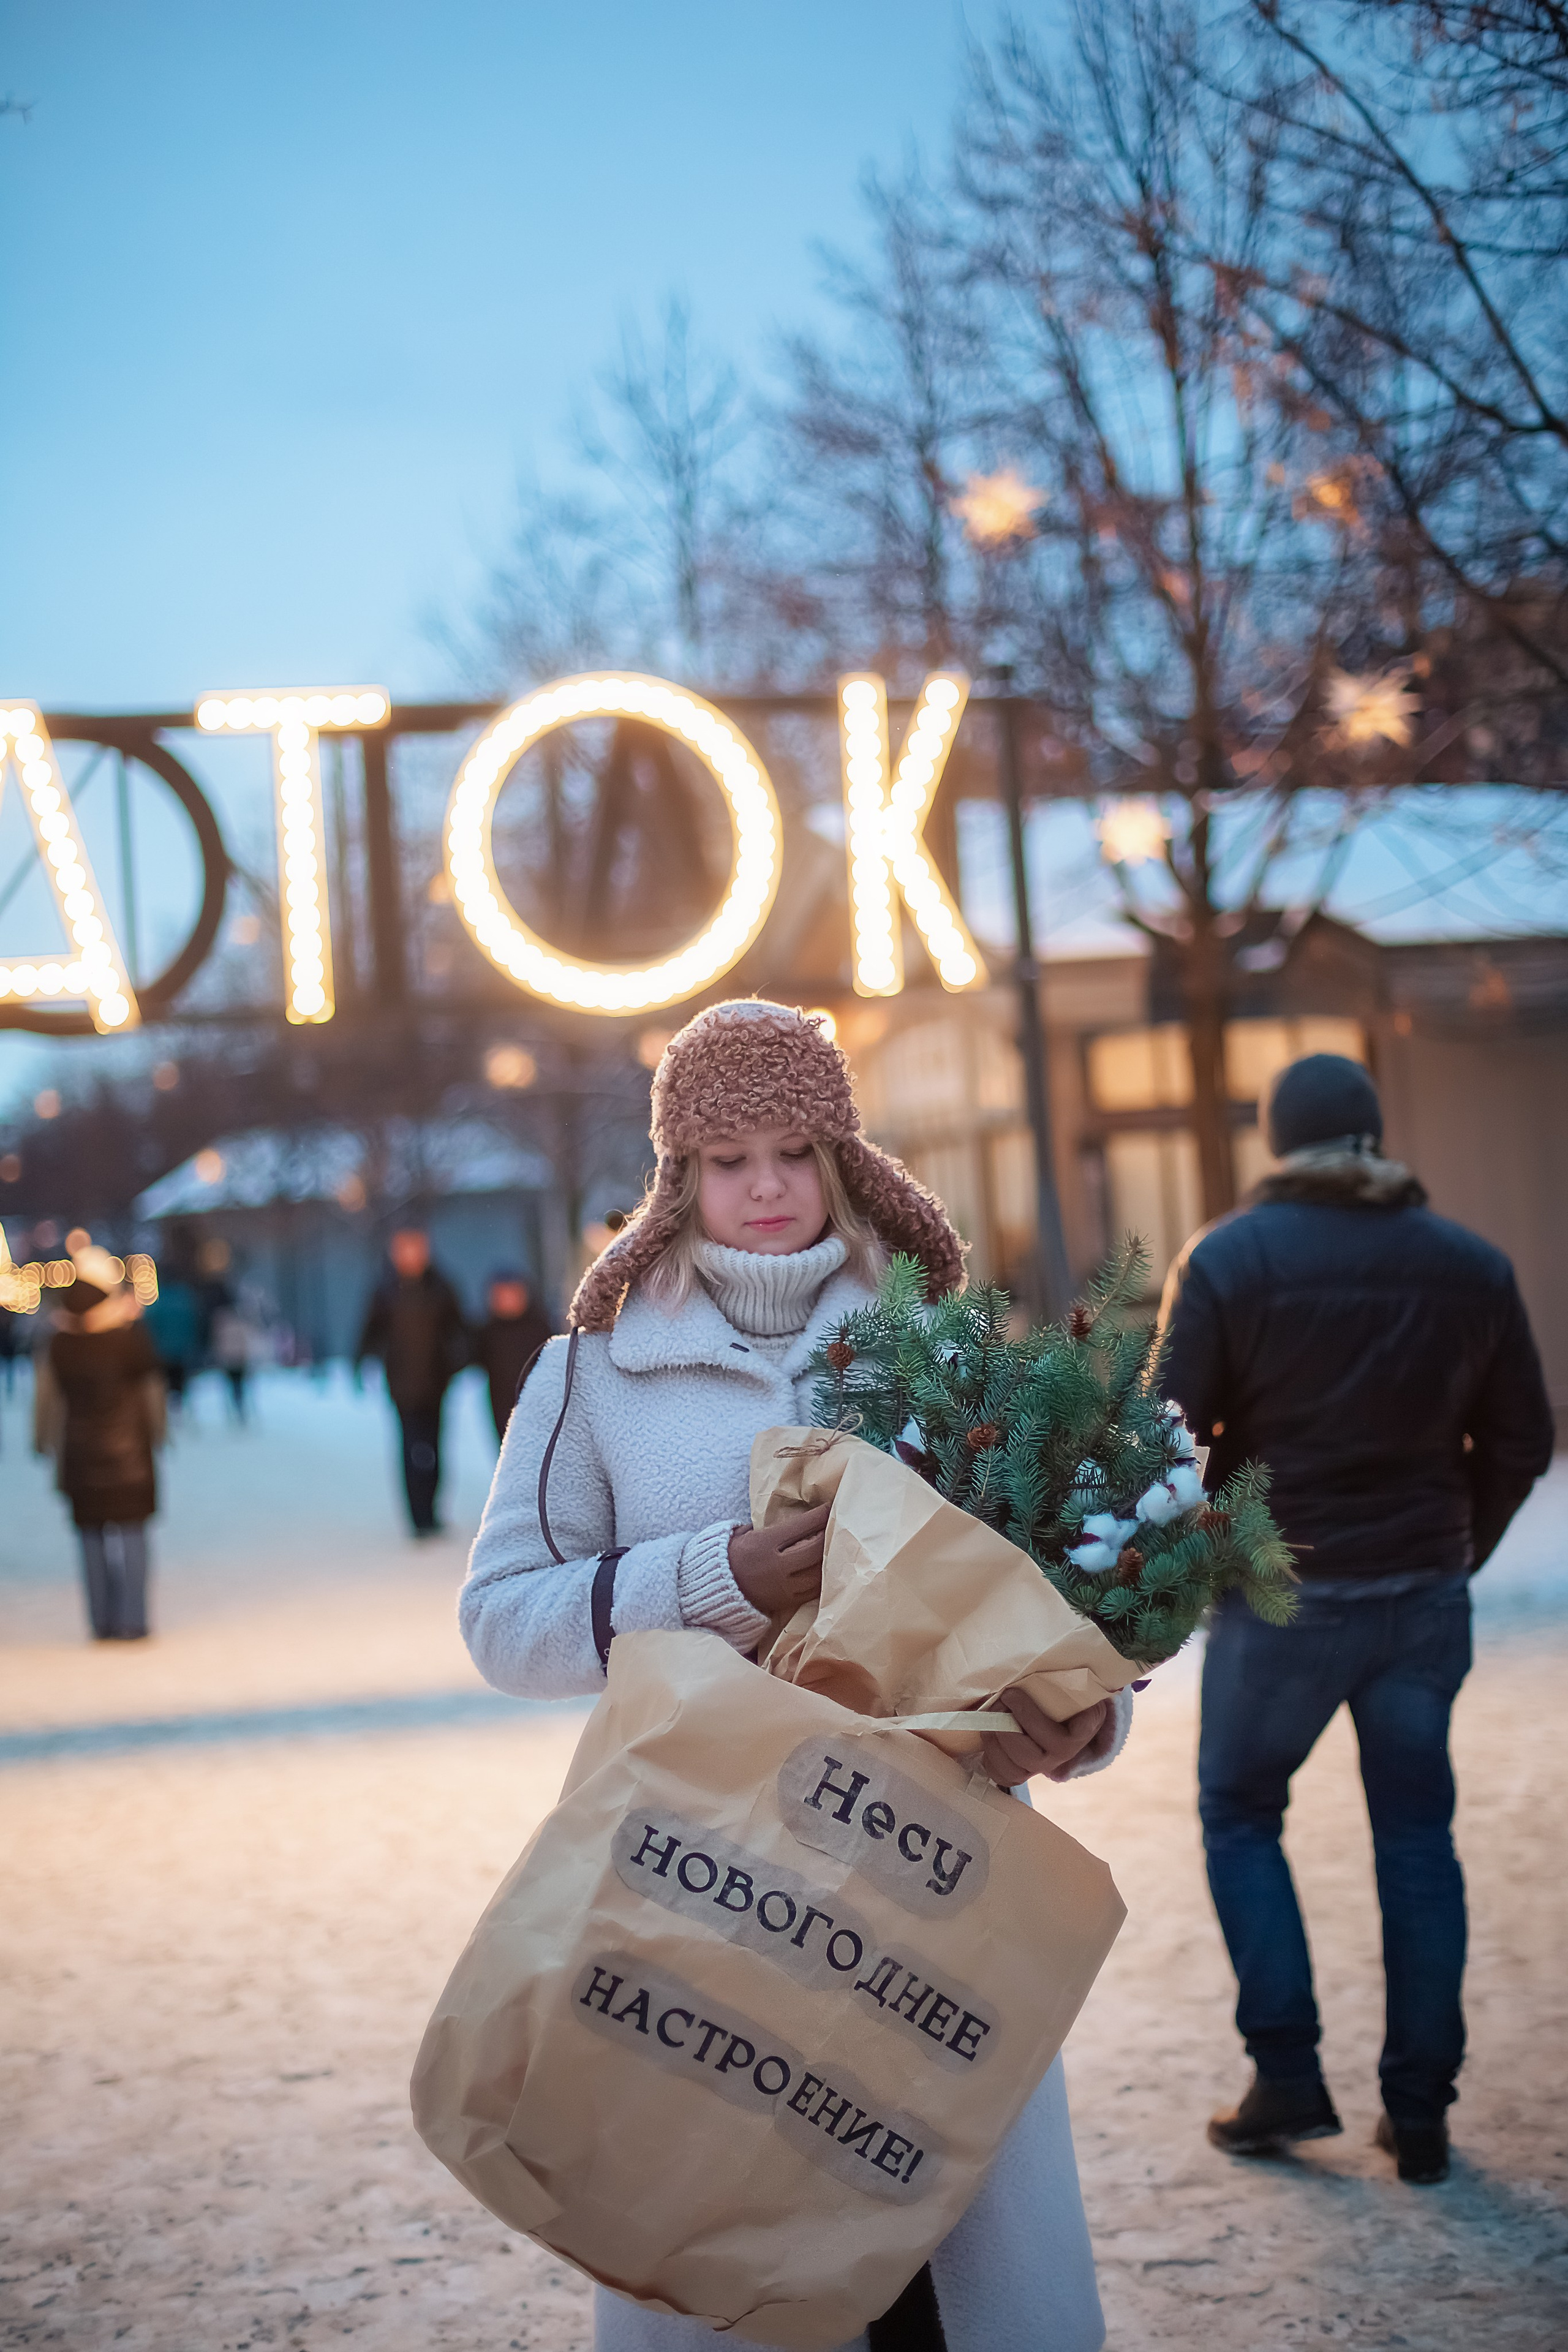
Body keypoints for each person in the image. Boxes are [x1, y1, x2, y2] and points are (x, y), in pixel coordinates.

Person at [461, 1001, 1133, 2352]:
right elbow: (505, 1622)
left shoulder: (949, 1345)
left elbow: (1062, 1600)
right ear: (676, 1176)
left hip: (931, 1885)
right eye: (725, 1158)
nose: (762, 1188)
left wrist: (1077, 1721)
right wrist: (712, 1578)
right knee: (728, 2251)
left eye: (790, 1149)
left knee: (936, 2279)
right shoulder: (593, 1374)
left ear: (841, 1156)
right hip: (704, 1886)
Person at [1159, 1053, 1555, 2186]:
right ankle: (1420, 2108)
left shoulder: (1230, 1260)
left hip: (1285, 1599)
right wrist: (1452, 1547)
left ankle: (1287, 2074)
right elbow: (1523, 1438)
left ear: (1278, 1144)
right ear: (1375, 1138)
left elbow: (1166, 1438)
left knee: (1240, 1811)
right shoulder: (1472, 1266)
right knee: (1419, 1838)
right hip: (1421, 1603)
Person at [33, 1245, 167, 1642]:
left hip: (78, 1455)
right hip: (132, 1456)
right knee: (133, 1536)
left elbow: (47, 1400)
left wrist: (43, 1442)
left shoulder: (59, 1341)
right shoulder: (130, 1338)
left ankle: (102, 1623)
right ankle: (134, 1620)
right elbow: (152, 1395)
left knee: (90, 1539)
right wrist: (158, 1435)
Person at [356, 1226, 469, 1535]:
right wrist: (361, 1361)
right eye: (403, 1249)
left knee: (435, 1447)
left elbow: (460, 1328)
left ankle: (433, 1510)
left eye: (415, 1248)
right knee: (410, 1449)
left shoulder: (441, 1287)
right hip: (402, 1386)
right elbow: (370, 1330)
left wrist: (458, 1361)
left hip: (437, 1383)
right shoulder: (385, 1290)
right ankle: (417, 1517)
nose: (409, 1256)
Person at [469, 1268, 553, 1444]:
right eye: (501, 1295)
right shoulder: (487, 1332)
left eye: (512, 1294)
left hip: (537, 1402)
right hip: (501, 1403)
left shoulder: (539, 1328)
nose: (507, 1301)